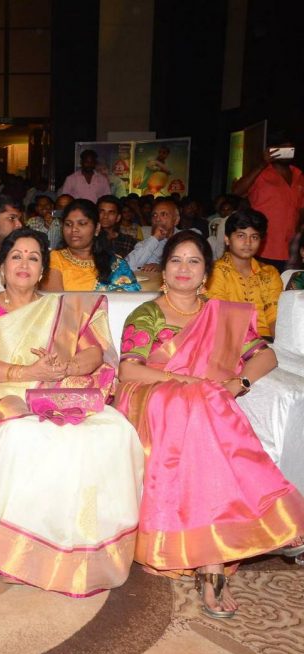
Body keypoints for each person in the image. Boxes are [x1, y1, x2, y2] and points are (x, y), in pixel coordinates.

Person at [114, 229, 304, 619]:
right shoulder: (147, 313)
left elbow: (265, 357)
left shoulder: (223, 315)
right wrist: (186, 381)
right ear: (164, 270)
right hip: (152, 398)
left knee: (205, 407)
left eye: (194, 261)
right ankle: (249, 536)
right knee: (200, 402)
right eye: (175, 260)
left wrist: (238, 384)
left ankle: (211, 561)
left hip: (206, 404)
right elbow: (129, 370)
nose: (184, 268)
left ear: (206, 273)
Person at [0, 228, 144, 595]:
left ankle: (83, 546)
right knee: (28, 435)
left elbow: (94, 352)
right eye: (16, 256)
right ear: (2, 266)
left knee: (115, 429)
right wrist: (28, 372)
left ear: (43, 270)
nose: (24, 264)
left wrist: (67, 368)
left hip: (61, 391)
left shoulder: (64, 308)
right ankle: (16, 553)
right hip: (3, 393)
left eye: (33, 258)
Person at [204, 208, 283, 340]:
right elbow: (220, 316)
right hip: (228, 339)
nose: (248, 243)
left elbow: (274, 317)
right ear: (227, 239)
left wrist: (282, 345)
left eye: (254, 237)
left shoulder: (270, 274)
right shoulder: (215, 271)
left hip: (267, 341)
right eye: (241, 236)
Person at [232, 134, 304, 270]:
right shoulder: (261, 173)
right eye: (283, 148)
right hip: (262, 246)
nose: (287, 152)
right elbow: (237, 191)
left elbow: (301, 209)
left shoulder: (299, 176)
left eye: (290, 149)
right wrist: (262, 163)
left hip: (291, 248)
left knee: (286, 284)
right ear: (272, 150)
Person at [43, 200, 141, 292]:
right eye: (68, 224)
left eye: (82, 224)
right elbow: (54, 299)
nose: (73, 229)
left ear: (97, 228)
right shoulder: (55, 258)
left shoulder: (114, 263)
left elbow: (130, 296)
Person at [127, 197, 180, 272]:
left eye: (164, 214)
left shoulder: (189, 238)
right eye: (154, 215)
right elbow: (127, 266)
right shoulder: (148, 243)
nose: (157, 219)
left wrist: (162, 267)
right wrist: (155, 238)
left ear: (176, 220)